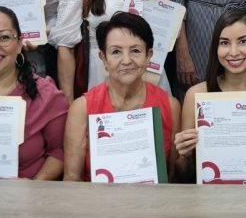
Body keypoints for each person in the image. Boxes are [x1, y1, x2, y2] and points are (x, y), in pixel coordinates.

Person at [174, 8, 246, 183]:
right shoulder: (196, 95)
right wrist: (186, 155)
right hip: (209, 196)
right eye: (224, 43)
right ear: (216, 48)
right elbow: (184, 175)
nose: (234, 52)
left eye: (243, 41)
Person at [63, 12, 180, 182]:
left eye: (135, 51)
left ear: (149, 56)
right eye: (116, 52)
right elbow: (72, 178)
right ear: (103, 58)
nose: (126, 60)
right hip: (97, 198)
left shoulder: (170, 106)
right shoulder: (81, 108)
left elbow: (174, 177)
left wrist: (187, 157)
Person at [0, 5, 68, 179]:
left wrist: (33, 187)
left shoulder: (46, 94)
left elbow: (59, 151)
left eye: (4, 37)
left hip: (27, 193)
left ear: (19, 44)